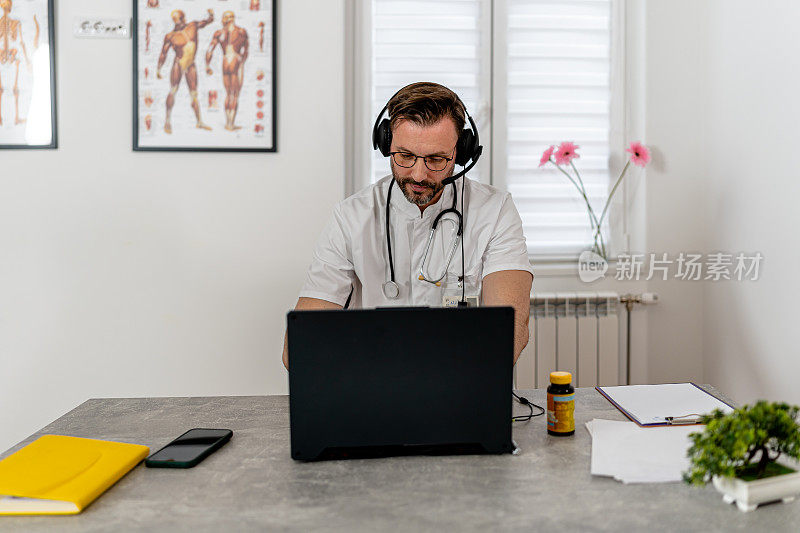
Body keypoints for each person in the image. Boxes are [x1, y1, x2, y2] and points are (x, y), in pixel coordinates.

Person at [282, 82, 533, 369]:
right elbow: (299, 347)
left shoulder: (496, 210)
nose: (417, 173)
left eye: (436, 159)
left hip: (464, 383)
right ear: (386, 143)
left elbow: (513, 326)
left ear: (461, 152)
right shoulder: (351, 216)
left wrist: (465, 387)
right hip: (374, 386)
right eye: (405, 156)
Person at [157, 9, 214, 134]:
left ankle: (199, 122)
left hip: (190, 64)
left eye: (179, 19)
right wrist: (159, 68)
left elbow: (207, 22)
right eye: (175, 20)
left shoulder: (192, 26)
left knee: (194, 94)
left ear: (183, 18)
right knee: (173, 90)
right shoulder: (170, 36)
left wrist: (211, 15)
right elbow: (163, 53)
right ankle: (167, 121)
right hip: (178, 63)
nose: (177, 22)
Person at [205, 11, 248, 131]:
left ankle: (227, 122)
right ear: (233, 18)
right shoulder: (241, 32)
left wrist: (207, 65)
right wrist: (241, 61)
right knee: (235, 95)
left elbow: (209, 50)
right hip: (235, 60)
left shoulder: (219, 33)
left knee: (228, 94)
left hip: (225, 62)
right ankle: (230, 124)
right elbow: (245, 50)